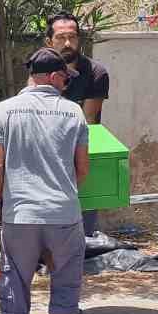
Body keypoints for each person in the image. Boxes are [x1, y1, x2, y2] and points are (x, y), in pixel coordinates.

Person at [0, 48, 91, 314]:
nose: (66, 85)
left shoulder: (2, 111)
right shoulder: (74, 113)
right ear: (54, 77)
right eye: (65, 80)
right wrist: (63, 193)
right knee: (66, 276)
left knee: (14, 278)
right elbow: (82, 169)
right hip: (63, 214)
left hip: (20, 215)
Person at [44, 12, 109, 237]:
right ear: (49, 41)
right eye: (61, 38)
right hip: (45, 157)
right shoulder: (40, 70)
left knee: (83, 229)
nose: (67, 43)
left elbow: (86, 121)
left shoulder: (96, 73)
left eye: (72, 37)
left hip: (81, 152)